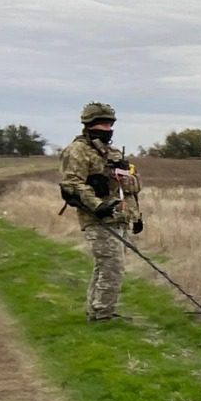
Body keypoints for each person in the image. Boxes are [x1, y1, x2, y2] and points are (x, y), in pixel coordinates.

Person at [57, 101, 143, 323]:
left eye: (109, 124)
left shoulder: (112, 152)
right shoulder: (77, 151)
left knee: (105, 267)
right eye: (101, 124)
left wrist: (136, 215)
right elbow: (72, 184)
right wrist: (97, 204)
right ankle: (104, 315)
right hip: (97, 219)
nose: (106, 129)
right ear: (88, 124)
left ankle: (96, 311)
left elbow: (133, 186)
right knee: (113, 267)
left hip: (121, 217)